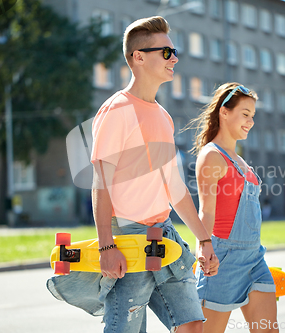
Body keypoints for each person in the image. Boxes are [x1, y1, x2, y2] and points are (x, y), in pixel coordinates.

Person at [47, 16, 218, 333]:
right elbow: (101, 183)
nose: (175, 58)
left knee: (192, 327)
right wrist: (106, 246)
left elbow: (175, 188)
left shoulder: (163, 117)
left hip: (163, 235)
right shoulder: (117, 110)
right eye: (166, 52)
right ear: (138, 57)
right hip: (127, 240)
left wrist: (203, 239)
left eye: (174, 51)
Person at [189, 83, 279, 332]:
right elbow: (206, 210)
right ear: (224, 112)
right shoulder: (212, 156)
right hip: (223, 259)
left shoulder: (238, 159)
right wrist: (204, 249)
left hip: (254, 257)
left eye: (253, 116)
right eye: (245, 114)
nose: (250, 121)